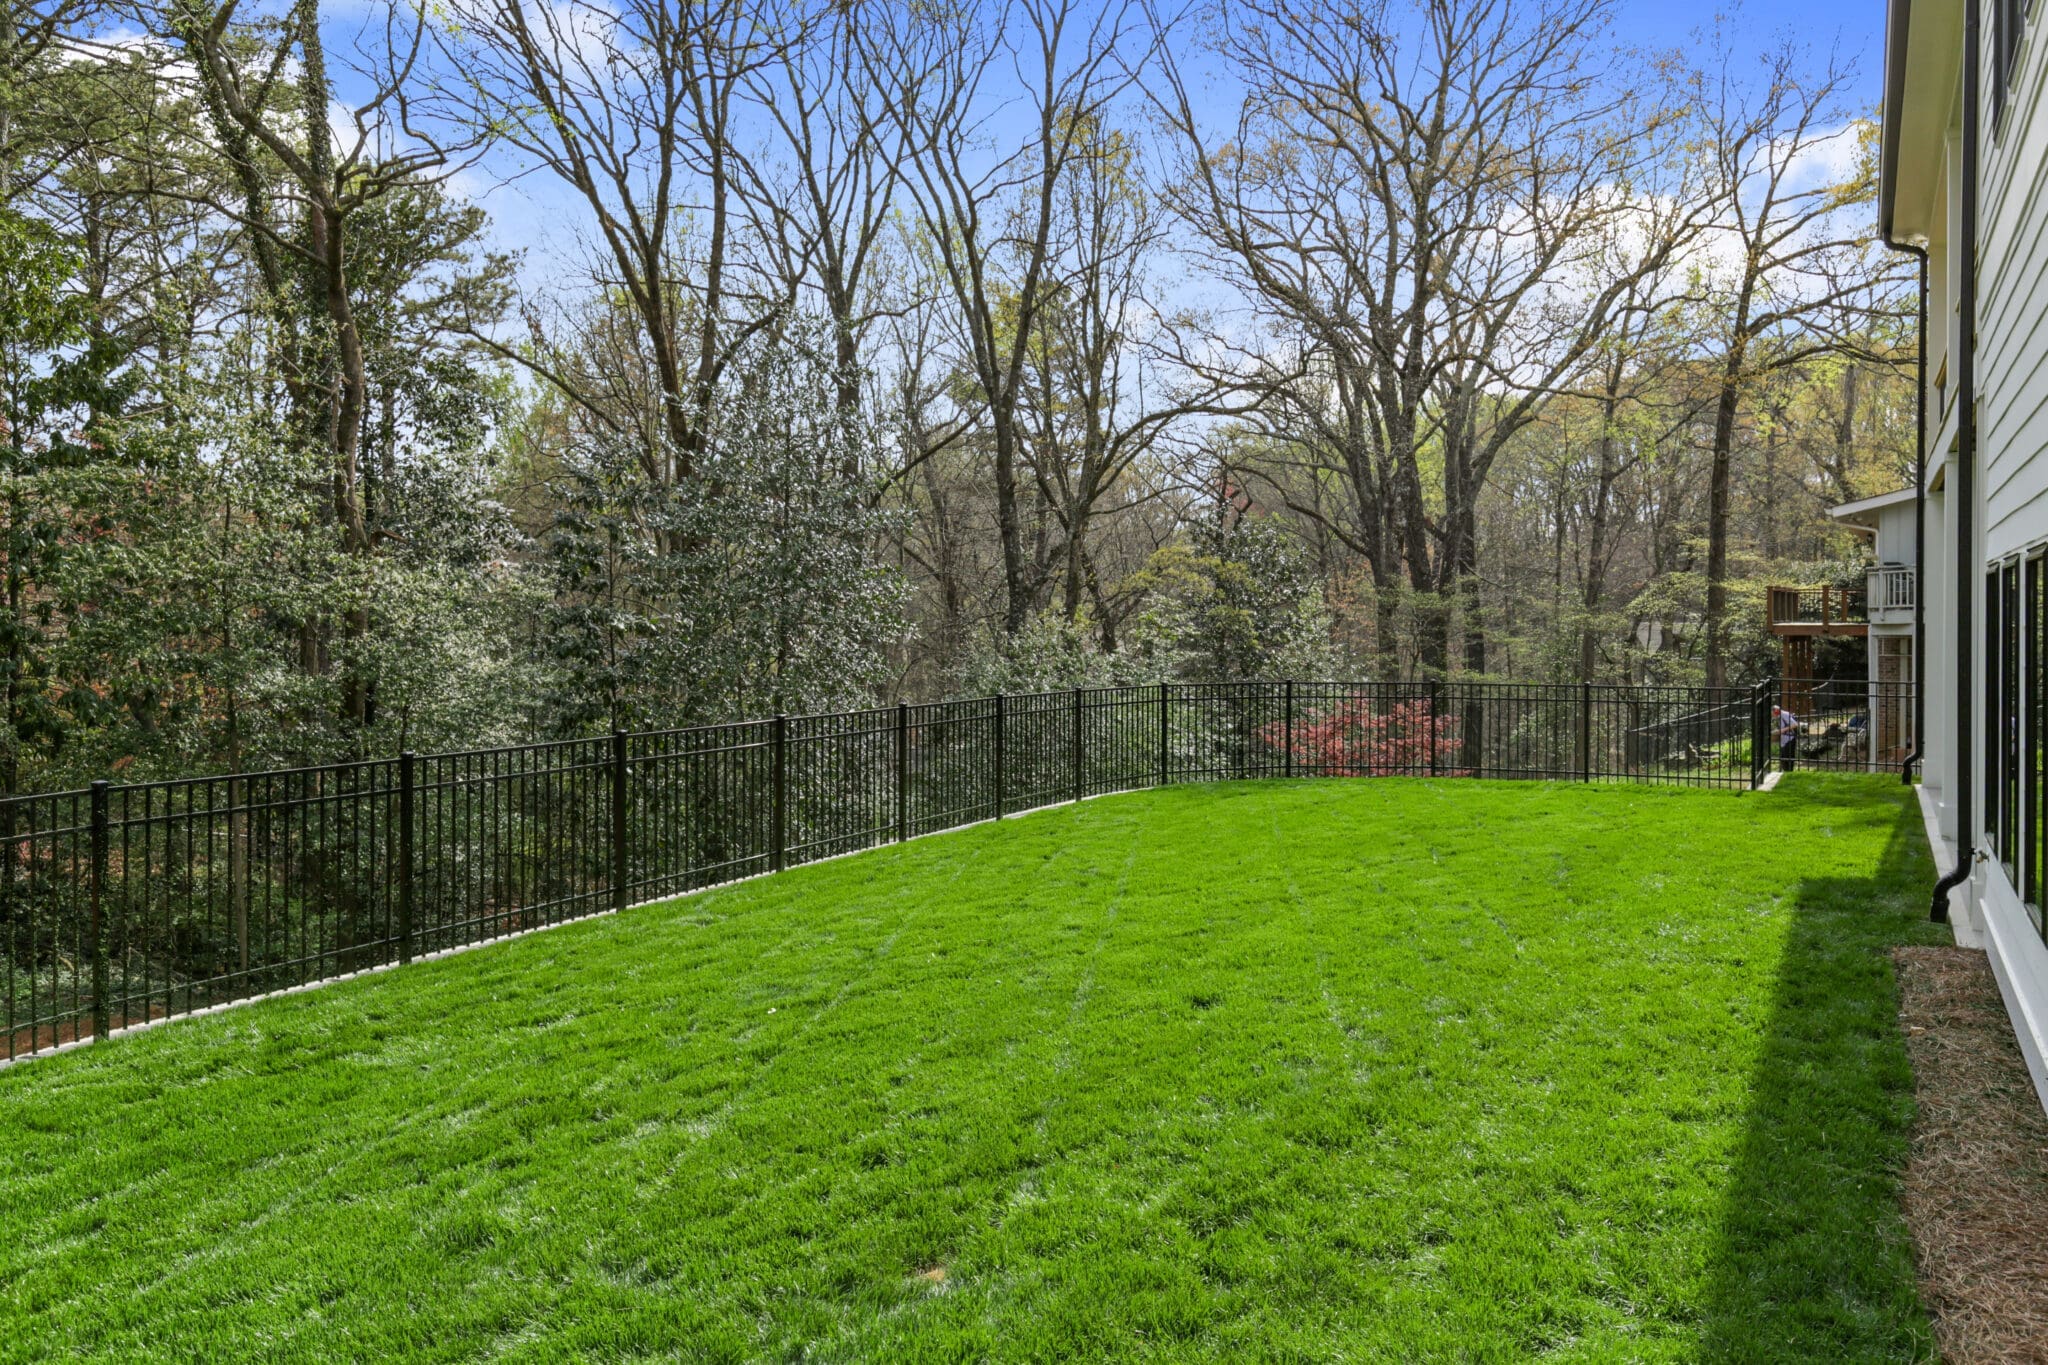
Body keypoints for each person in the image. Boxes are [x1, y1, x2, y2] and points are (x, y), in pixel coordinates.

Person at [1773, 704, 1799, 772]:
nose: (1772, 715)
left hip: (1790, 739)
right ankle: (1786, 772)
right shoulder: (1779, 716)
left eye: (1772, 713)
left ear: (1776, 711)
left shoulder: (1784, 715)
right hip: (1784, 739)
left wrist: (1782, 730)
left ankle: (1789, 773)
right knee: (1783, 758)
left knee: (1788, 758)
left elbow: (1795, 724)